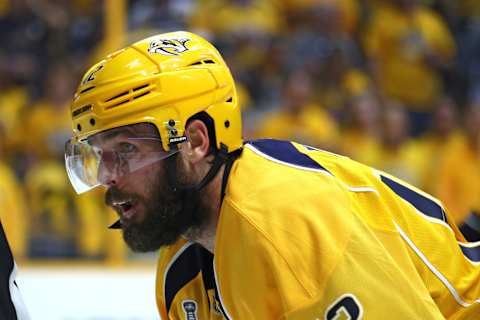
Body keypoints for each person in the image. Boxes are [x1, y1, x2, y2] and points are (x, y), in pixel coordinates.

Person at [64, 31, 480, 319]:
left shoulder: (286, 222)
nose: (106, 176)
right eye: (100, 155)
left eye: (125, 151)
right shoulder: (180, 265)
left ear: (195, 142)